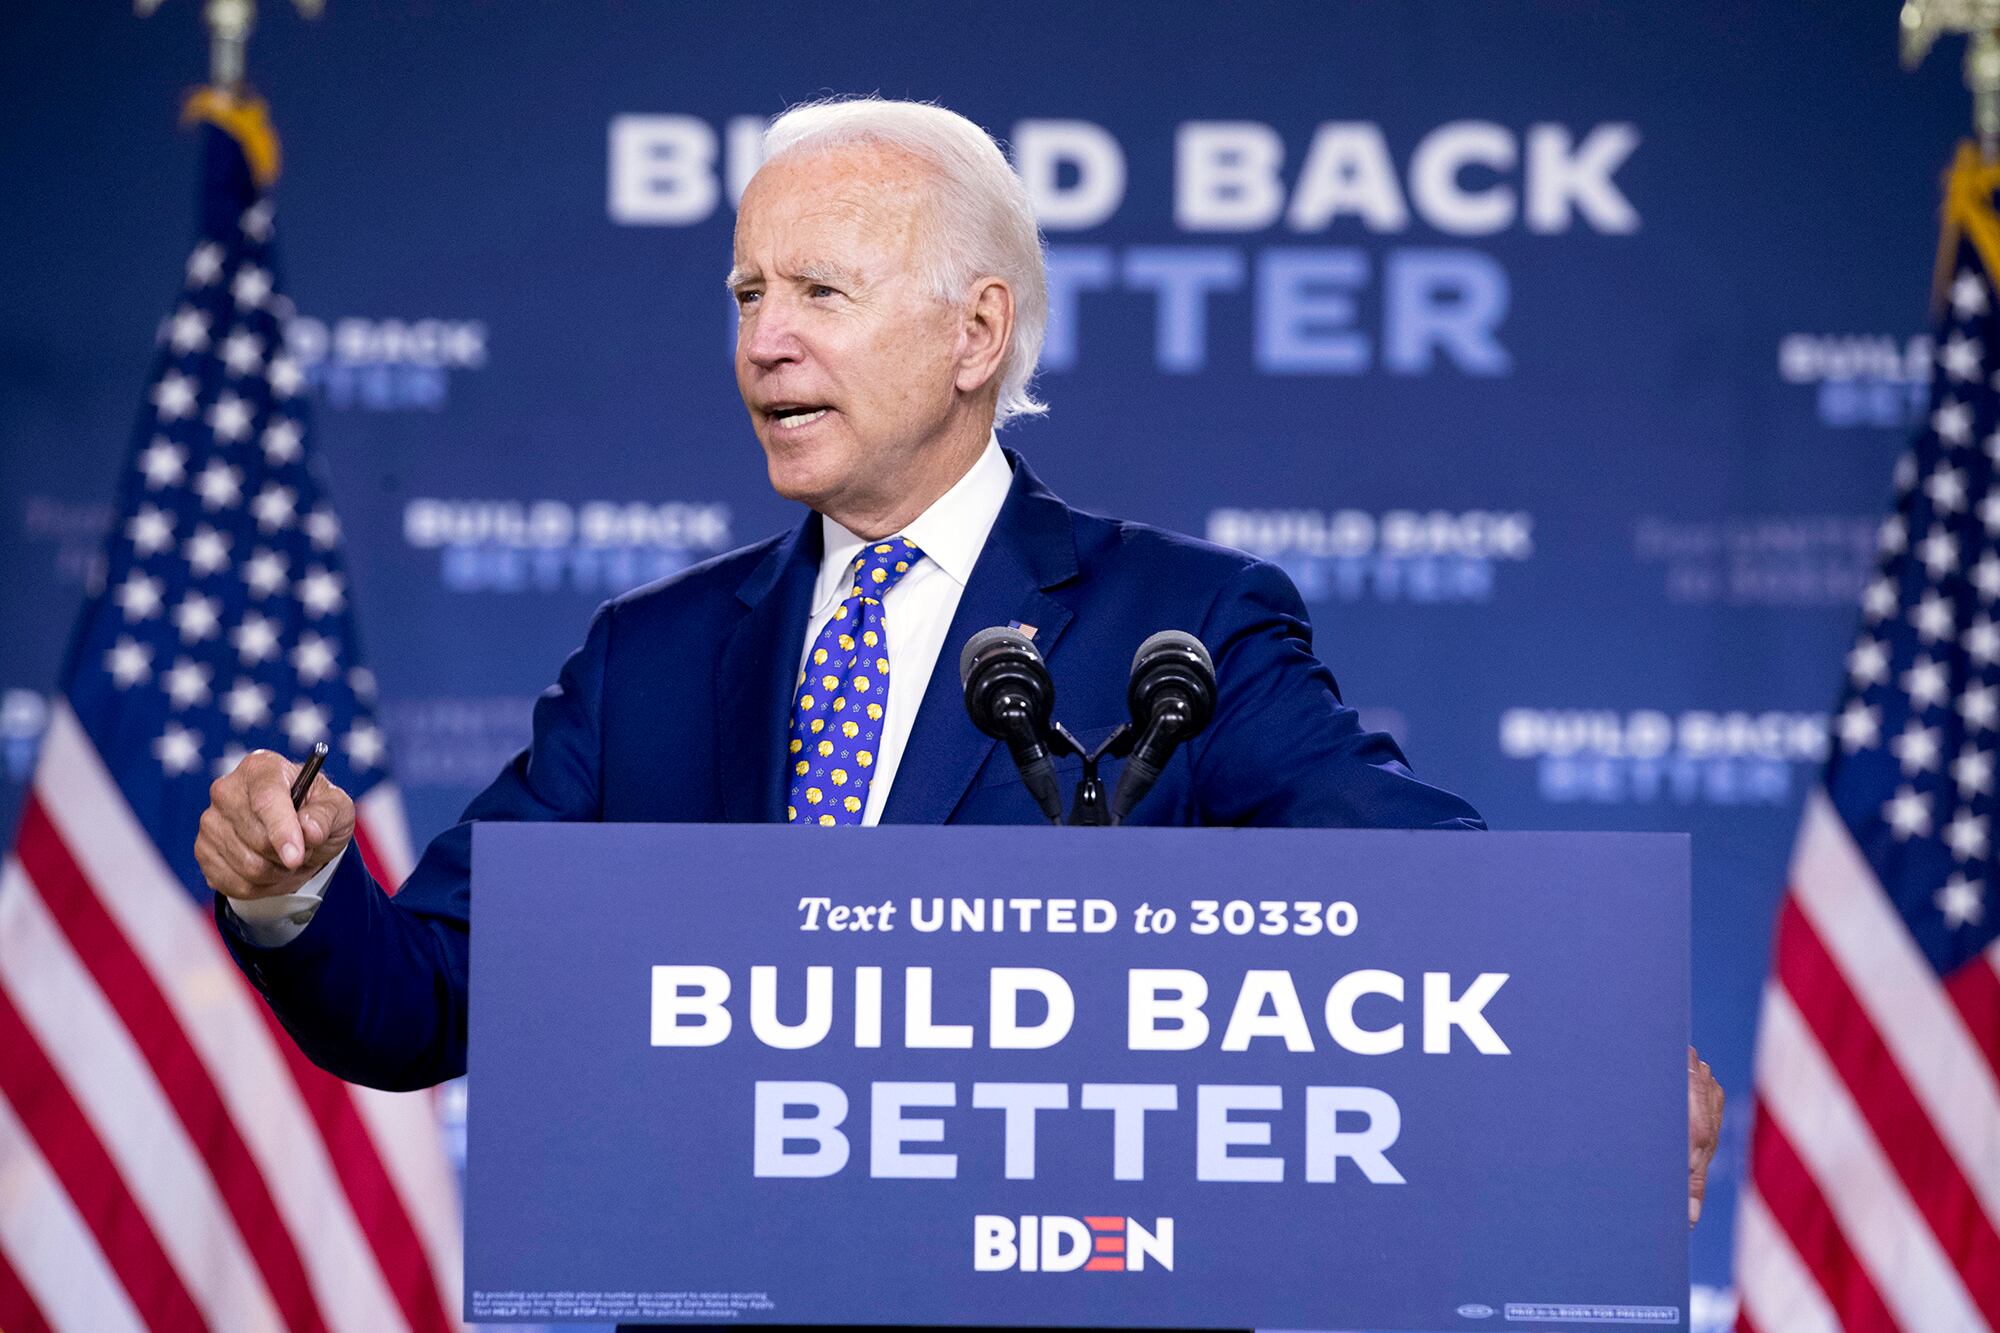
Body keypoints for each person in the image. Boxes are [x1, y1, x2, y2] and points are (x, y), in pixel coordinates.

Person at [195, 97, 1722, 1225]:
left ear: (977, 332)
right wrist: (294, 897)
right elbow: (429, 998)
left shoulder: (1177, 628)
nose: (762, 342)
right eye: (744, 296)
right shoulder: (647, 664)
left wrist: (1603, 1024)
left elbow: (1397, 867)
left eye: (819, 294)